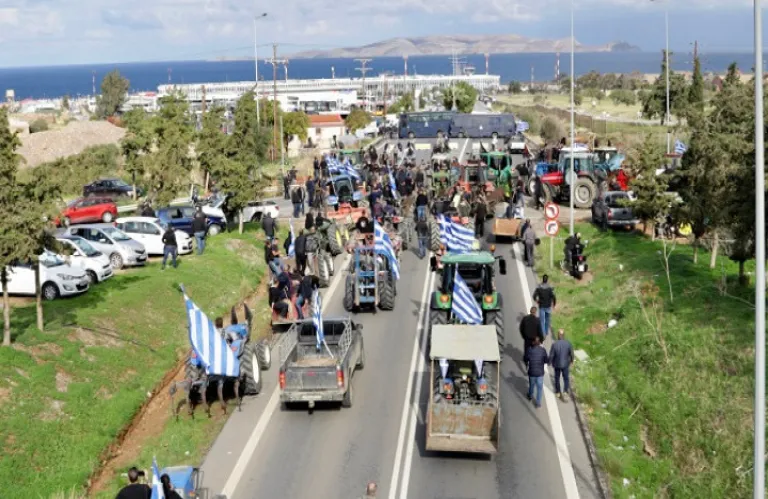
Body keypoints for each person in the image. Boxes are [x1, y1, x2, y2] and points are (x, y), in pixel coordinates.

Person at [523, 335, 548, 409]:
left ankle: (530, 396)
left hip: (532, 372)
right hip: (540, 373)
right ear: (540, 342)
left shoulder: (529, 350)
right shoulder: (543, 350)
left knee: (531, 385)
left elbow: (525, 358)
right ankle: (538, 403)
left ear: (533, 342)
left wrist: (527, 363)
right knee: (540, 388)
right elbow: (546, 360)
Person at [549, 329, 575, 402]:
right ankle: (565, 391)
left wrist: (549, 362)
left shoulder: (554, 344)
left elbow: (551, 355)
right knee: (566, 378)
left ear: (558, 335)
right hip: (565, 364)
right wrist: (572, 361)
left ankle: (558, 392)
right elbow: (572, 354)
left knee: (557, 378)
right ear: (564, 335)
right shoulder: (568, 343)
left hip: (557, 364)